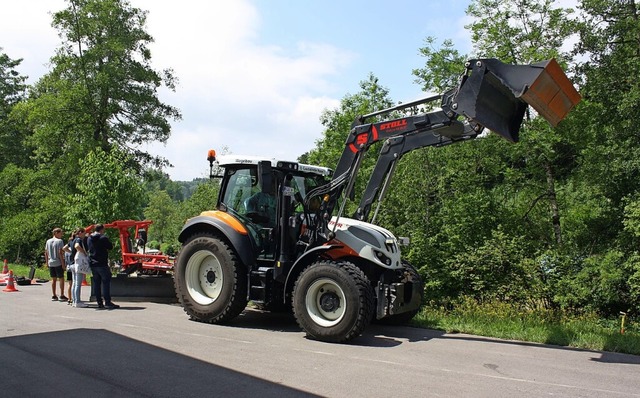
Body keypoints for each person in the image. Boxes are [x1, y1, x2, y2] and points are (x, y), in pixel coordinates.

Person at [87, 224, 119, 309]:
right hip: (102, 263)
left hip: (93, 263)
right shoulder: (103, 238)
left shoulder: (89, 238)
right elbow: (110, 247)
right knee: (106, 282)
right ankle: (107, 302)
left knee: (97, 283)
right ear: (101, 230)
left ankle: (99, 302)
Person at [44, 227, 68, 301]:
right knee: (61, 278)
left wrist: (47, 262)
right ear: (56, 233)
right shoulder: (60, 241)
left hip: (51, 261)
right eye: (61, 233)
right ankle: (61, 294)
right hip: (58, 262)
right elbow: (60, 253)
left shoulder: (48, 241)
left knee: (53, 279)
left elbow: (46, 252)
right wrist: (63, 264)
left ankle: (54, 295)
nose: (62, 235)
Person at [70, 228, 89, 308]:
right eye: (84, 233)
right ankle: (78, 301)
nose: (85, 235)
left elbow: (65, 248)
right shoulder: (78, 240)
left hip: (72, 263)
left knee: (74, 283)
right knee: (78, 284)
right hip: (78, 263)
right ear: (80, 233)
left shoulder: (72, 240)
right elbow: (77, 246)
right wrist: (84, 253)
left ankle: (74, 300)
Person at [62, 230, 76, 304]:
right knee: (74, 283)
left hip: (68, 267)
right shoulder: (73, 249)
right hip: (73, 266)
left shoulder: (67, 251)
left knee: (69, 283)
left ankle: (69, 298)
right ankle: (74, 298)